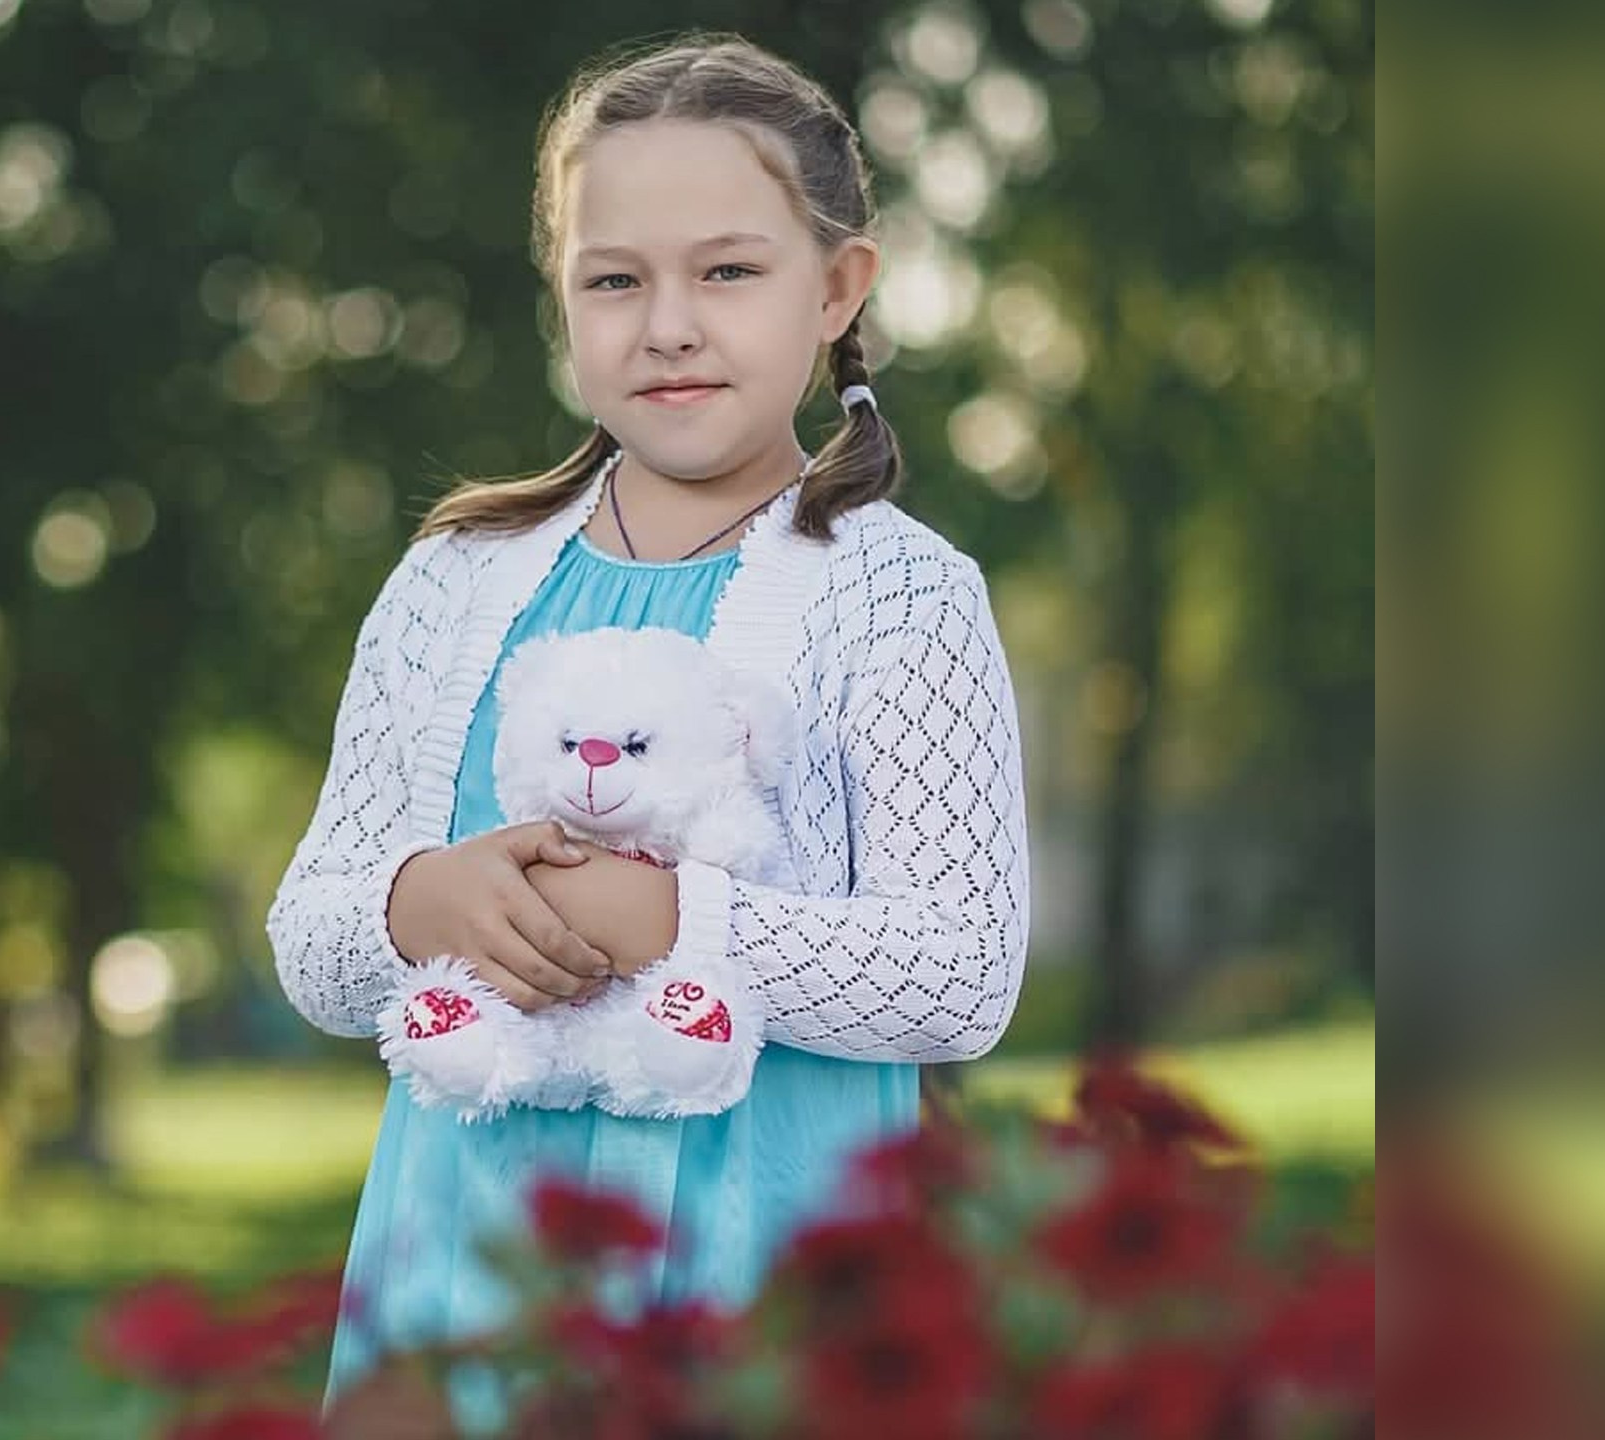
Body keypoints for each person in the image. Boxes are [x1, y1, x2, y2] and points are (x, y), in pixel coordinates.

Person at [265, 32, 1031, 1417]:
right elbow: (313, 940)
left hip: (769, 1272)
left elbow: (960, 971)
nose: (666, 324)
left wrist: (667, 924)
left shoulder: (899, 595)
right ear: (563, 303)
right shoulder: (455, 581)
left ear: (839, 288)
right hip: (473, 1277)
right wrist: (420, 900)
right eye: (613, 280)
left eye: (728, 272)